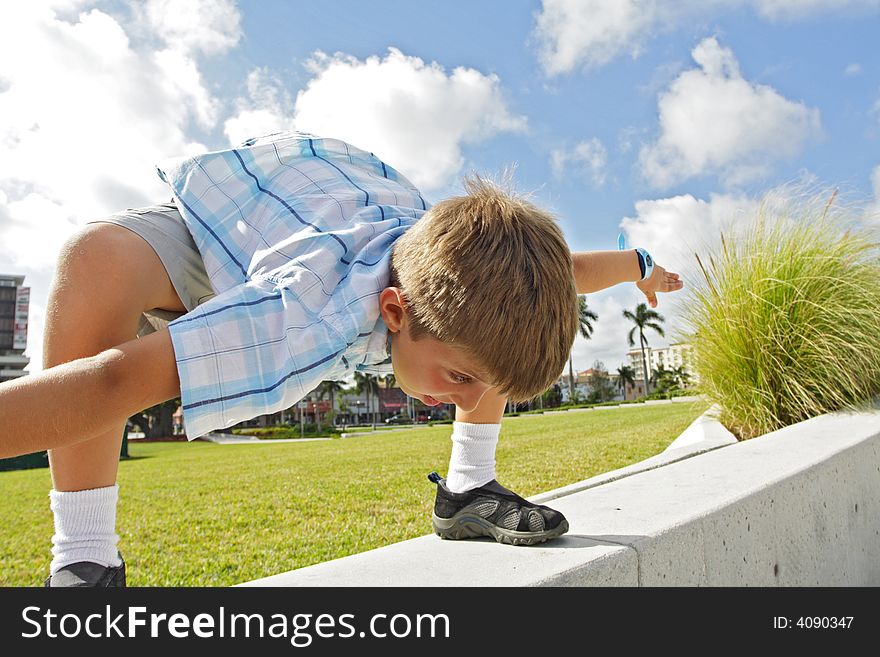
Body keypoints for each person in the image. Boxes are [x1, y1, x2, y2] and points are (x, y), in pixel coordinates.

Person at [0, 131, 683, 586]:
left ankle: (469, 488)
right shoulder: (307, 314)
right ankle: (85, 556)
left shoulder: (451, 269)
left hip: (323, 200)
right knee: (93, 261)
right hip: (228, 222)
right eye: (459, 381)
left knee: (498, 331)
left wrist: (639, 266)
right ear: (391, 310)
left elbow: (560, 268)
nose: (472, 399)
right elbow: (117, 379)